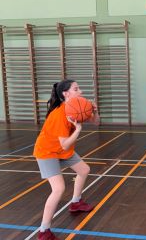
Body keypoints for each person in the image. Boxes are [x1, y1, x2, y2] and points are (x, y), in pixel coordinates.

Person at [34, 79, 100, 240]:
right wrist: (77, 130)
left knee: (84, 170)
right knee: (58, 189)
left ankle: (76, 203)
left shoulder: (76, 107)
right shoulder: (59, 114)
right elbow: (64, 144)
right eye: (76, 89)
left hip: (62, 151)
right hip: (47, 152)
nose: (81, 92)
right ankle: (44, 231)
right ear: (66, 93)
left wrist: (95, 111)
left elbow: (96, 123)